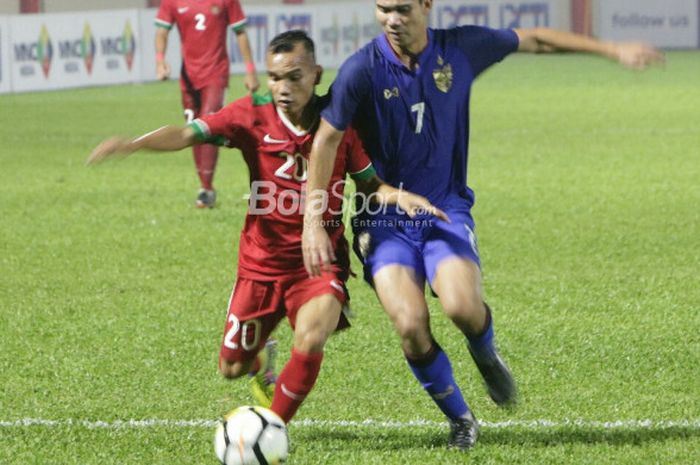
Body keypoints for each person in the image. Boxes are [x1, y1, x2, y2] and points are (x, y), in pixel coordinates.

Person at [301, 0, 664, 450]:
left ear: (426, 5)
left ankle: (484, 349)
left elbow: (537, 40)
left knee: (461, 307)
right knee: (410, 325)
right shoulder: (362, 68)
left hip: (446, 209)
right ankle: (461, 419)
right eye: (382, 9)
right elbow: (325, 140)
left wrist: (612, 49)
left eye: (402, 9)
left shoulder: (461, 49)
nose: (392, 20)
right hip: (385, 218)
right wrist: (313, 222)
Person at [88, 30, 443, 424]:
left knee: (312, 335)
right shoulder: (250, 115)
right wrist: (134, 144)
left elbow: (370, 184)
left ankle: (273, 426)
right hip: (259, 265)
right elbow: (188, 133)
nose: (282, 88)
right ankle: (260, 358)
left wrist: (401, 197)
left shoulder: (338, 126)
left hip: (317, 264)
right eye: (275, 78)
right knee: (231, 368)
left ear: (316, 75)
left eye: (294, 77)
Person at [155, 0, 260, 208]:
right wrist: (160, 60)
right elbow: (162, 31)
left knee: (207, 123)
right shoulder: (172, 2)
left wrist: (250, 70)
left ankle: (206, 189)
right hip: (188, 76)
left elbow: (240, 32)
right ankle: (205, 185)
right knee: (192, 128)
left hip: (216, 73)